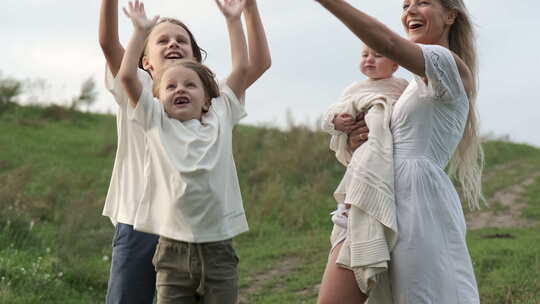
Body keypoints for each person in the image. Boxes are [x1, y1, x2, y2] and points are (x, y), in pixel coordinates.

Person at [98, 0, 270, 303]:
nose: (173, 43)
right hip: (138, 217)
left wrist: (248, 7)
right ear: (145, 60)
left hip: (197, 225)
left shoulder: (208, 97)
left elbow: (254, 64)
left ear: (196, 61)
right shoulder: (138, 87)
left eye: (182, 41)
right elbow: (109, 43)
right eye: (162, 40)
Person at [314, 0, 483, 303]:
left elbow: (389, 42)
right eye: (406, 5)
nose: (410, 11)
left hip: (415, 203)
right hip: (372, 194)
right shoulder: (403, 87)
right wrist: (358, 139)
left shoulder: (448, 63)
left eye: (423, 2)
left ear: (450, 15)